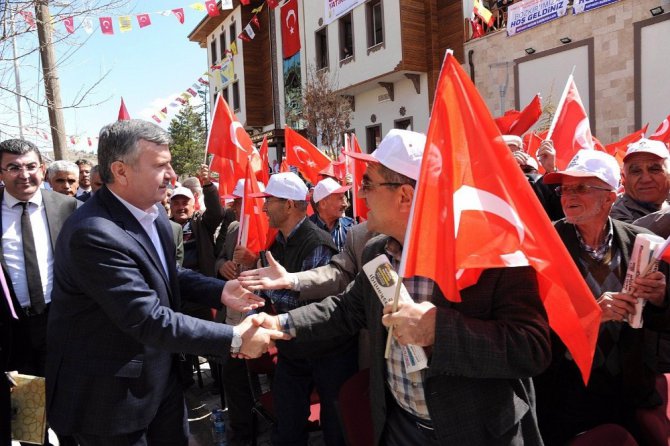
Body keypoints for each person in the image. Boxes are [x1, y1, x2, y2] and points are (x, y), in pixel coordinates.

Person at [246, 128, 551, 445]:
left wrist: (438, 330)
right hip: (400, 427)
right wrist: (278, 323)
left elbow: (532, 348)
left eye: (368, 184)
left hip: (476, 434)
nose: (361, 196)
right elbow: (346, 310)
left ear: (405, 195)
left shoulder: (491, 253)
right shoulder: (377, 252)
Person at [44, 119, 287, 445]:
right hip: (113, 400)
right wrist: (234, 338)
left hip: (162, 383)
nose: (172, 175)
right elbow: (145, 317)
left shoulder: (154, 213)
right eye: (160, 166)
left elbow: (165, 273)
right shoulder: (92, 233)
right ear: (121, 170)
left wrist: (220, 290)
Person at [537, 149, 669, 444]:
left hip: (628, 392)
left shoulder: (642, 242)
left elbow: (663, 322)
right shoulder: (544, 246)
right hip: (567, 396)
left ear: (610, 196)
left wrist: (661, 298)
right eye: (565, 188)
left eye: (581, 187)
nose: (569, 195)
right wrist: (590, 316)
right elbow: (530, 326)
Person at [249, 171, 357, 446]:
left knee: (336, 432)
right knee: (287, 428)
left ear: (287, 204)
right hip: (295, 351)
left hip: (328, 353)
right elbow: (269, 291)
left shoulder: (316, 243)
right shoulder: (279, 242)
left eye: (269, 200)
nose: (263, 207)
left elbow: (313, 306)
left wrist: (269, 307)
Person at [0, 138, 80, 446]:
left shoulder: (67, 207)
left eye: (31, 166)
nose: (24, 175)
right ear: (1, 173)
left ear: (42, 169)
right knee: (31, 424)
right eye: (14, 167)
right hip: (13, 333)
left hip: (61, 325)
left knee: (71, 416)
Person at [610, 138, 670, 223]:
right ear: (623, 179)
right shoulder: (613, 211)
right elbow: (630, 233)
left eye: (654, 169)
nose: (646, 179)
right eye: (636, 171)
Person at [310, 177, 354, 252]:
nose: (345, 204)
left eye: (344, 198)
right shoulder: (306, 231)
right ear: (323, 204)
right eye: (340, 198)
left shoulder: (351, 227)